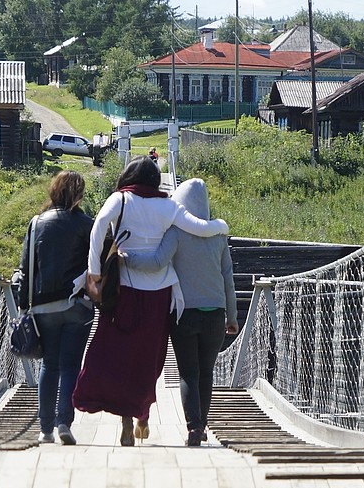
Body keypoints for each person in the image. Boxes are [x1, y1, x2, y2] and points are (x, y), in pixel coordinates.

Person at [72, 157, 229, 446]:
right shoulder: (168, 206)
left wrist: (94, 272)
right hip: (159, 295)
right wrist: (220, 225)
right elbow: (199, 227)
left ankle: (127, 419)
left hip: (123, 292)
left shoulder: (120, 200)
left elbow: (98, 227)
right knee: (149, 357)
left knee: (119, 353)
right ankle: (142, 411)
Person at [123, 178, 238, 446]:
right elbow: (228, 278)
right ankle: (202, 425)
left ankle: (194, 428)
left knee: (189, 372)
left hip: (184, 313)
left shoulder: (175, 233)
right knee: (206, 372)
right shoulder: (219, 235)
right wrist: (231, 317)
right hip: (215, 314)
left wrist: (127, 260)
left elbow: (156, 262)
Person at [17, 170, 94, 445]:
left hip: (43, 307)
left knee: (49, 364)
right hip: (76, 305)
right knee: (71, 364)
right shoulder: (87, 225)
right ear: (79, 195)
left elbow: (26, 268)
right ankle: (65, 423)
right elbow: (96, 267)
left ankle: (45, 428)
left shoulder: (36, 223)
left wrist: (24, 306)